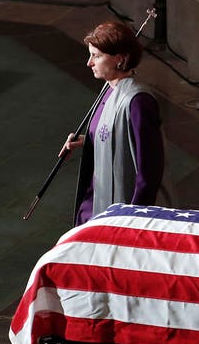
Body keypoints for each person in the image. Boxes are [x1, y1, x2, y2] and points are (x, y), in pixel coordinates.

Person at [60, 21, 174, 226]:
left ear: (119, 59)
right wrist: (88, 142)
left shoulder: (138, 101)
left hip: (123, 215)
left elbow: (149, 172)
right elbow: (115, 135)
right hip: (97, 202)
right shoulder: (109, 89)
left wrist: (130, 222)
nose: (89, 62)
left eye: (96, 55)